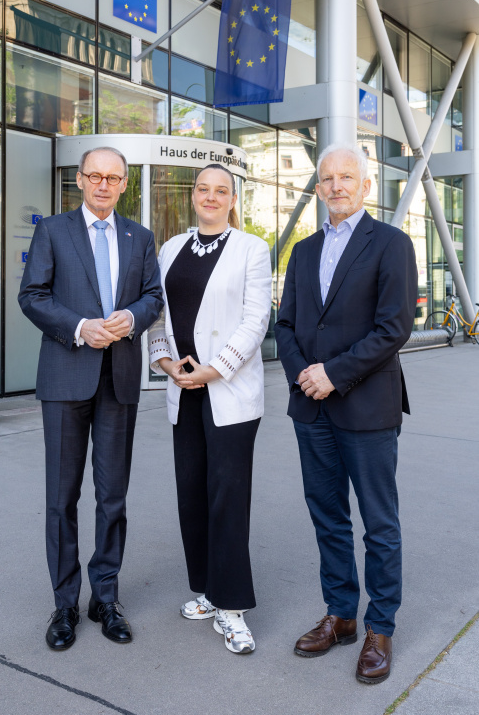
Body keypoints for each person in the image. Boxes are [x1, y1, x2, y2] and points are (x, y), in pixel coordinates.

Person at [275, 143, 417, 683]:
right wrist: (303, 375)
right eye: (327, 178)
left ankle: (380, 627)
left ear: (365, 186)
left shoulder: (392, 244)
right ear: (318, 188)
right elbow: (285, 325)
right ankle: (341, 616)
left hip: (367, 407)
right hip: (311, 410)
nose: (336, 186)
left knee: (379, 524)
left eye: (346, 177)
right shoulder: (303, 251)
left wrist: (332, 372)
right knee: (327, 517)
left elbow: (393, 328)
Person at [19, 146, 163, 651]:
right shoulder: (53, 231)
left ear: (125, 185)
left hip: (118, 380)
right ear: (80, 180)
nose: (104, 184)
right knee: (61, 498)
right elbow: (32, 296)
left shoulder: (139, 237)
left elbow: (153, 296)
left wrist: (134, 318)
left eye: (114, 177)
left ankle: (106, 596)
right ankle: (64, 604)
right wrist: (80, 327)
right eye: (95, 176)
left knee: (112, 496)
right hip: (65, 377)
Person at [148, 163, 272, 654]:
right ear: (193, 195)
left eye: (222, 191)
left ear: (233, 199)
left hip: (229, 393)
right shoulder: (171, 248)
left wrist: (213, 369)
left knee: (227, 499)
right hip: (183, 390)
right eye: (204, 189)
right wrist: (163, 359)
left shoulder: (252, 249)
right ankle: (204, 590)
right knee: (192, 495)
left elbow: (255, 319)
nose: (212, 197)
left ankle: (233, 607)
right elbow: (157, 312)